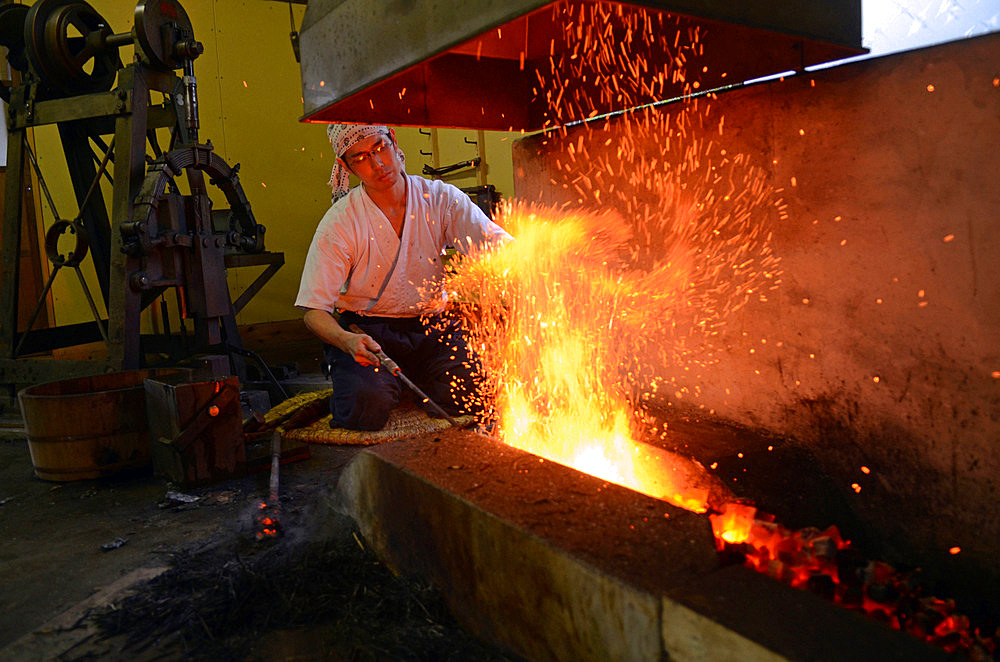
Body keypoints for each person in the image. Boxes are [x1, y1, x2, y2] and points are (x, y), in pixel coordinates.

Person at [295, 123, 511, 430]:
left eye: (380, 148)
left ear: (393, 141)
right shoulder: (341, 222)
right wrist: (347, 341)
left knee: (479, 390)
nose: (377, 163)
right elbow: (313, 313)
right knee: (364, 408)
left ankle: (413, 384)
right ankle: (370, 384)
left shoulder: (440, 199)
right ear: (346, 166)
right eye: (360, 157)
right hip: (368, 332)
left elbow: (498, 249)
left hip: (434, 327)